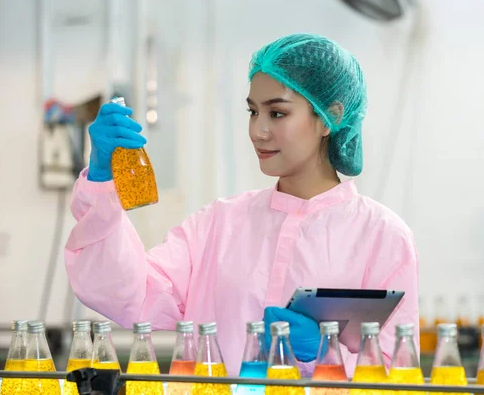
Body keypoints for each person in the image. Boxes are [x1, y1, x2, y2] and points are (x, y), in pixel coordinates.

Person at [65, 33, 419, 376]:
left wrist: (326, 354)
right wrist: (100, 184)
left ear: (331, 115)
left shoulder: (381, 237)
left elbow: (398, 374)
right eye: (253, 112)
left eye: (277, 113)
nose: (257, 131)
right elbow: (129, 294)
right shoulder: (219, 223)